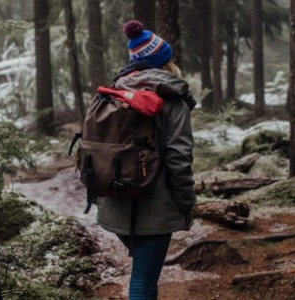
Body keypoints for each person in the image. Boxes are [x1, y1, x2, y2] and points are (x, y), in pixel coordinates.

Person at [96, 20, 196, 300]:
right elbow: (179, 157)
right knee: (143, 279)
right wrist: (186, 202)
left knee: (142, 267)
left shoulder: (112, 93)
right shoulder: (173, 99)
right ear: (165, 60)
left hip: (114, 202)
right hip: (156, 204)